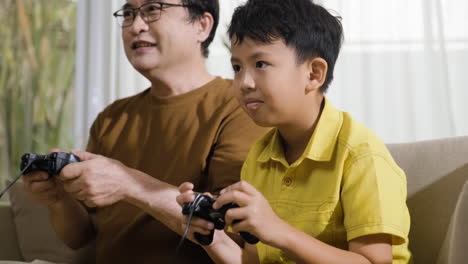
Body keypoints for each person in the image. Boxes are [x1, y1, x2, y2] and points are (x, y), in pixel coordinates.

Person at [21, 0, 267, 263]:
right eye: (128, 14)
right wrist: (59, 199)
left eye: (152, 9)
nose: (135, 26)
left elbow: (230, 231)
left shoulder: (242, 107)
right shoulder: (112, 118)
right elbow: (80, 236)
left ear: (201, 26)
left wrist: (129, 184)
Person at [177, 0, 412, 263]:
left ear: (314, 74)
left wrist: (277, 230)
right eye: (237, 67)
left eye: (261, 64)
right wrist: (211, 234)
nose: (244, 83)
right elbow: (254, 260)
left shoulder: (361, 155)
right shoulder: (260, 156)